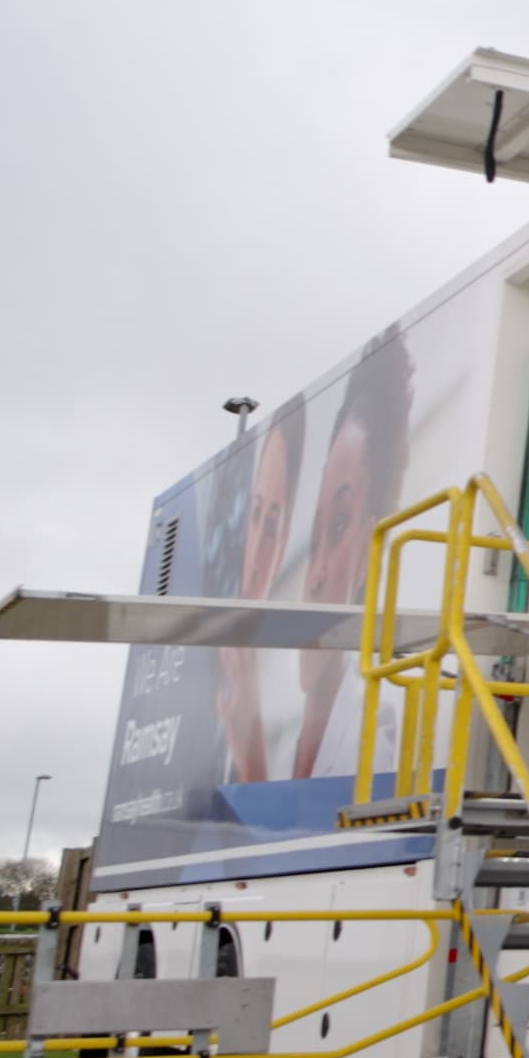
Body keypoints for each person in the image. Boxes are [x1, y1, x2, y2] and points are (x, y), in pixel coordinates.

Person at [289, 326, 415, 777]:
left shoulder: (368, 760)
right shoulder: (289, 740)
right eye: (318, 530)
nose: (315, 575)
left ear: (369, 552)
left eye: (339, 526)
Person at [212, 402, 307, 783]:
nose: (256, 557)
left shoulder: (293, 686)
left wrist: (250, 750)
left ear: (284, 541)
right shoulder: (204, 648)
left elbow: (280, 822)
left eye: (272, 526)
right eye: (255, 515)